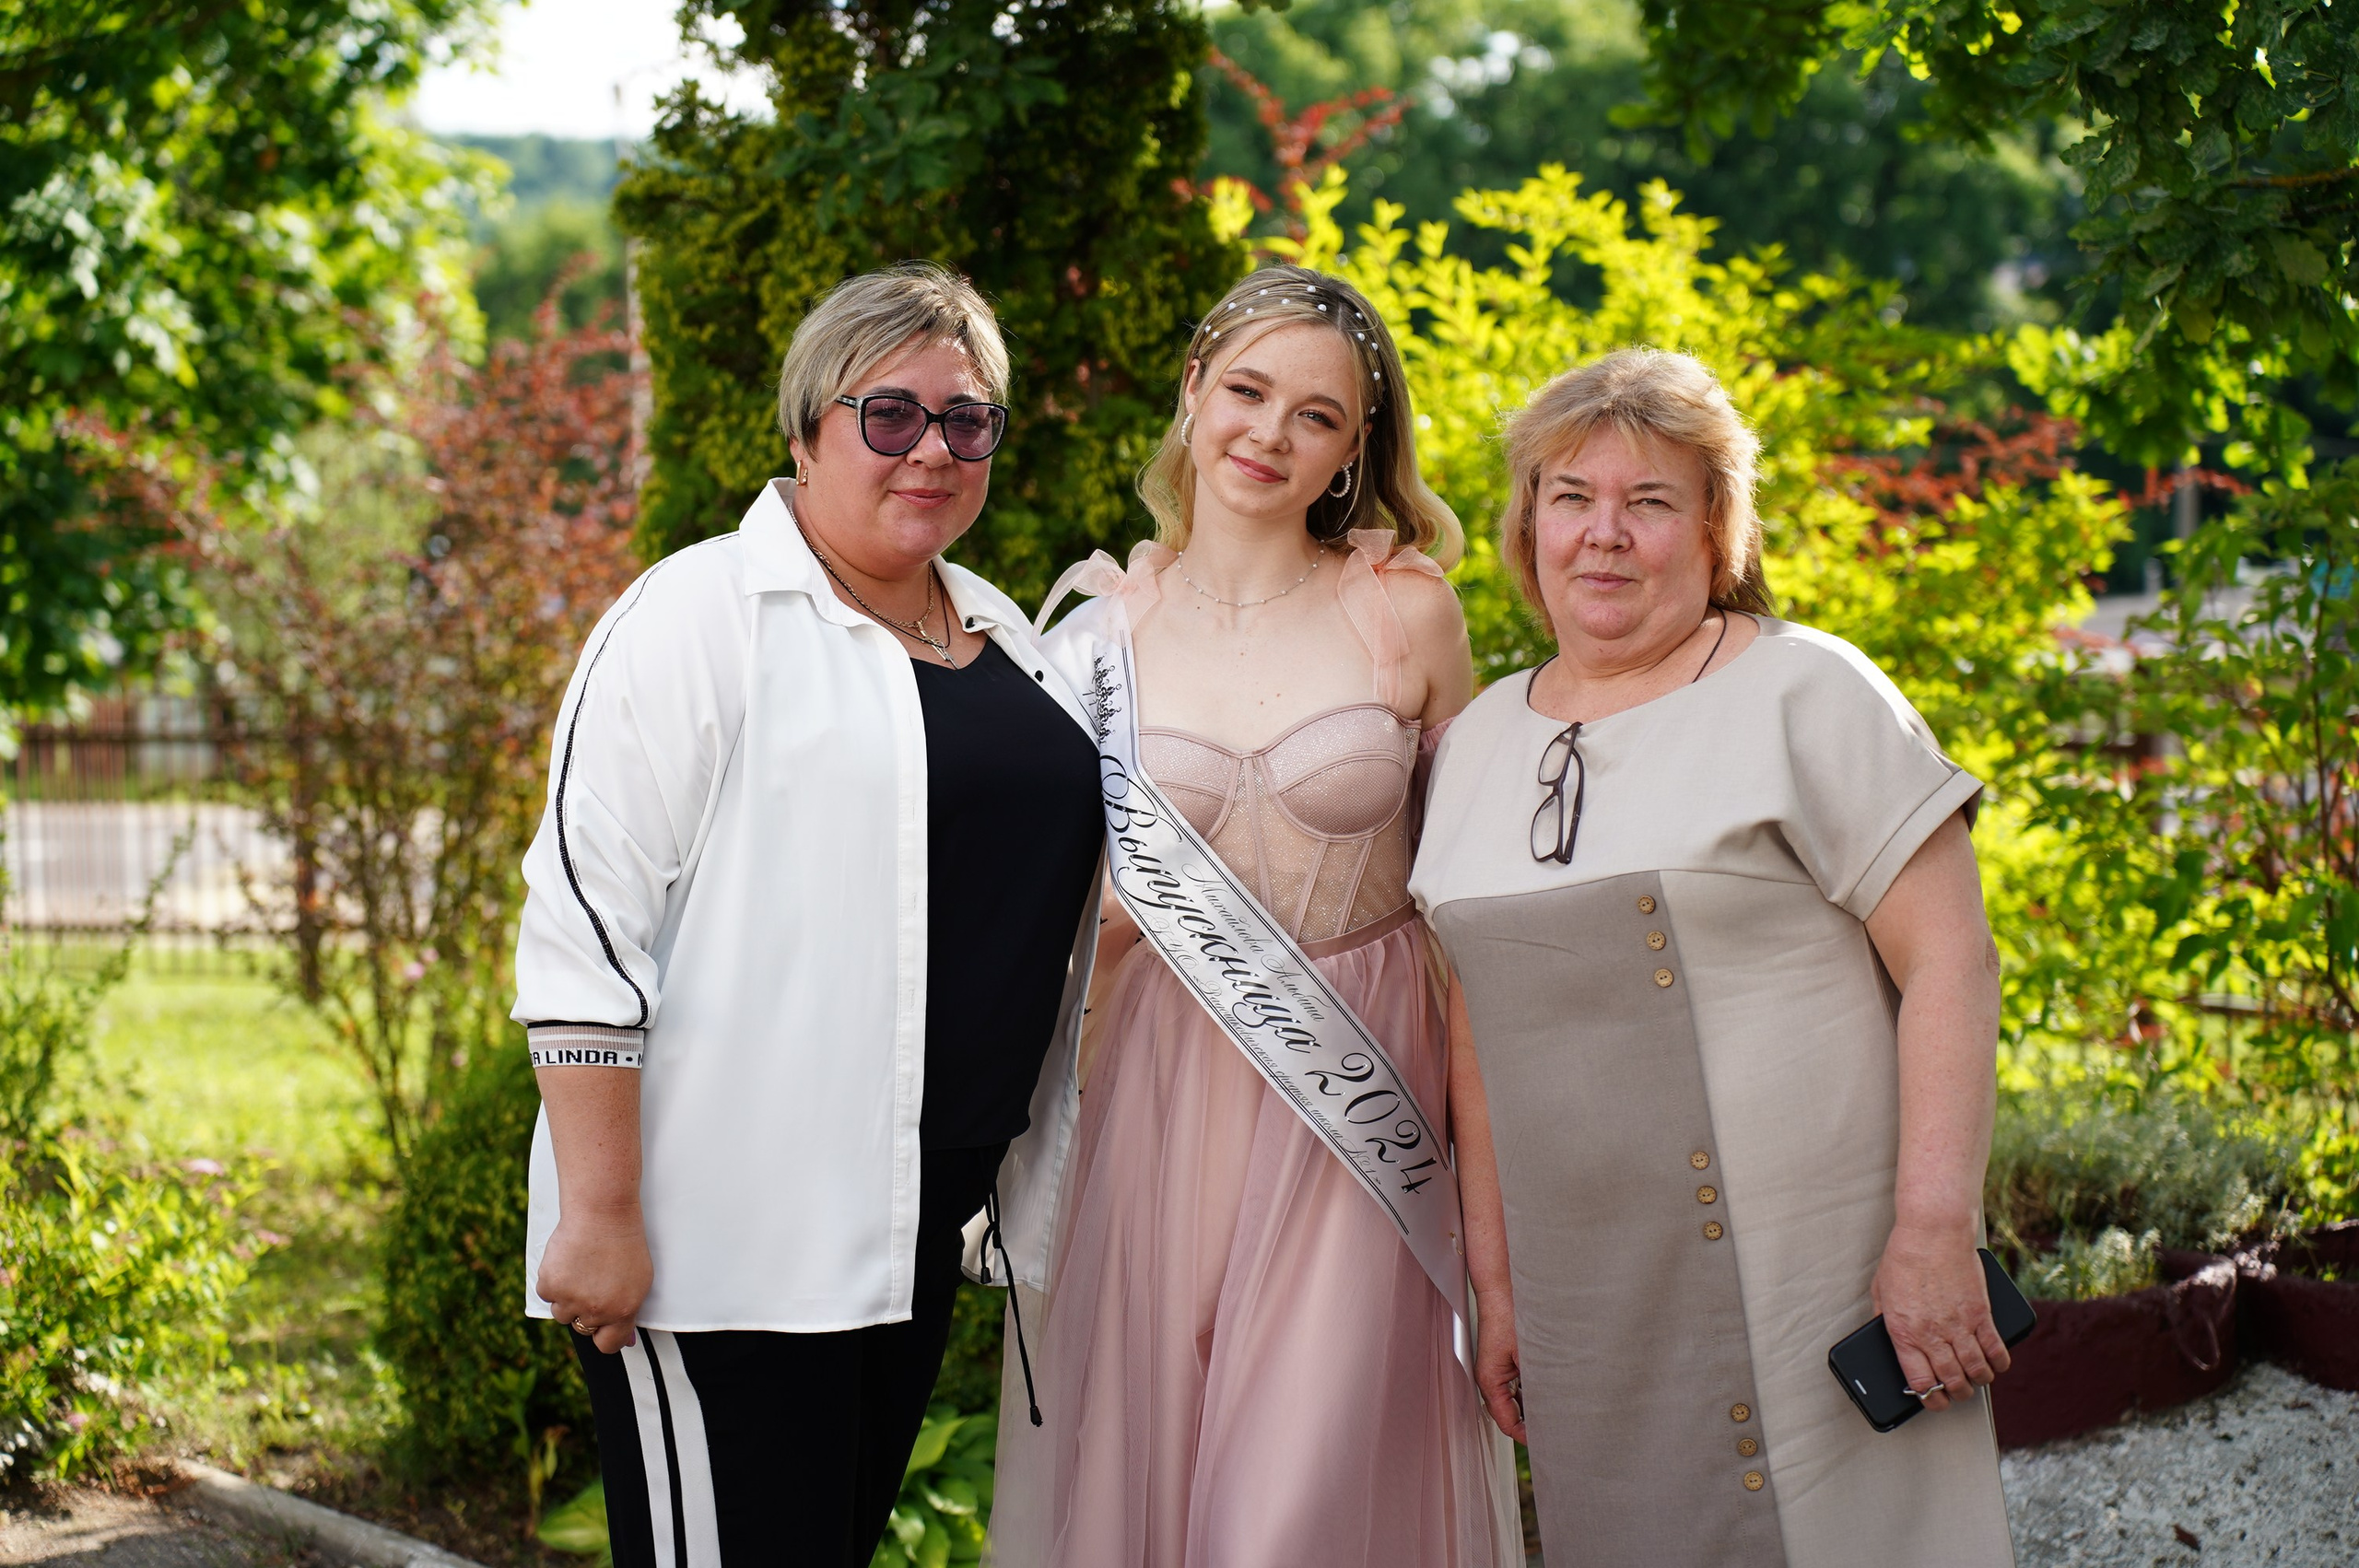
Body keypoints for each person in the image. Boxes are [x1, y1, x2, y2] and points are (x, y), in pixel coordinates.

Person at [512, 263, 1107, 1568]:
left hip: (905, 1221)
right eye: (887, 415)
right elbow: (582, 931)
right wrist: (602, 1211)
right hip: (719, 1235)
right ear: (806, 427)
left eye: (967, 420)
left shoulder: (1006, 634)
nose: (931, 449)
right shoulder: (698, 615)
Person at [1411, 347, 2016, 1566]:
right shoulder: (1472, 741)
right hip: (1592, 1314)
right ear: (1528, 526)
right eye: (1572, 498)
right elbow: (1475, 1031)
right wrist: (1501, 1285)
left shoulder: (1809, 690)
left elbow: (1953, 960)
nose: (1604, 535)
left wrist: (1934, 1228)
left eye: (1651, 502)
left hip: (1819, 1284)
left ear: (1716, 529)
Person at [987, 265, 1522, 1568]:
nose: (1271, 435)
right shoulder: (1095, 634)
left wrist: (1499, 1245)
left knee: (1292, 1518)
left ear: (1355, 450)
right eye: (1247, 390)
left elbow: (1471, 940)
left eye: (1318, 416)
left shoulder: (1406, 610)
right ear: (1193, 390)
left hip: (1362, 1104)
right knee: (1150, 1501)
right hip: (1157, 1105)